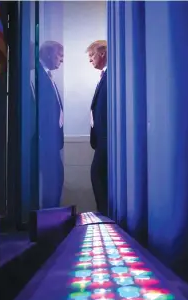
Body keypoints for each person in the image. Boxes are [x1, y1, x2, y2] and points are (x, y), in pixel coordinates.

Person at [31, 41, 64, 208]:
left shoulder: (46, 75)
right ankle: (48, 220)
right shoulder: (38, 76)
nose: (62, 60)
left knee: (56, 179)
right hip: (45, 141)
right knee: (52, 181)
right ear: (49, 54)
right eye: (60, 55)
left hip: (52, 141)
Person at [87, 40, 108, 215]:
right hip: (101, 141)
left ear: (102, 54)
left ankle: (105, 215)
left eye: (91, 55)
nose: (89, 60)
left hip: (106, 141)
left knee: (98, 176)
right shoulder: (104, 76)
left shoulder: (111, 76)